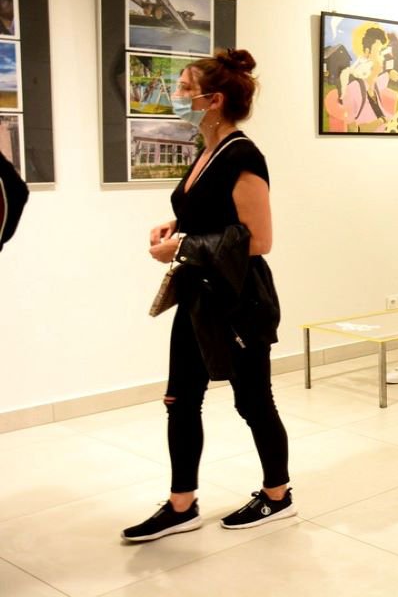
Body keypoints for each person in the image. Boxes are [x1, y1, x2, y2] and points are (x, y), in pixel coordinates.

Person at [122, 49, 294, 543]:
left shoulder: (242, 156)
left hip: (238, 299)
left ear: (213, 100)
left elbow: (259, 240)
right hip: (198, 293)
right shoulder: (207, 151)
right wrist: (177, 223)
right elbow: (217, 215)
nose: (175, 96)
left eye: (183, 89)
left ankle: (278, 494)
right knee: (180, 399)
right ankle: (182, 504)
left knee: (253, 402)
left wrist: (183, 246)